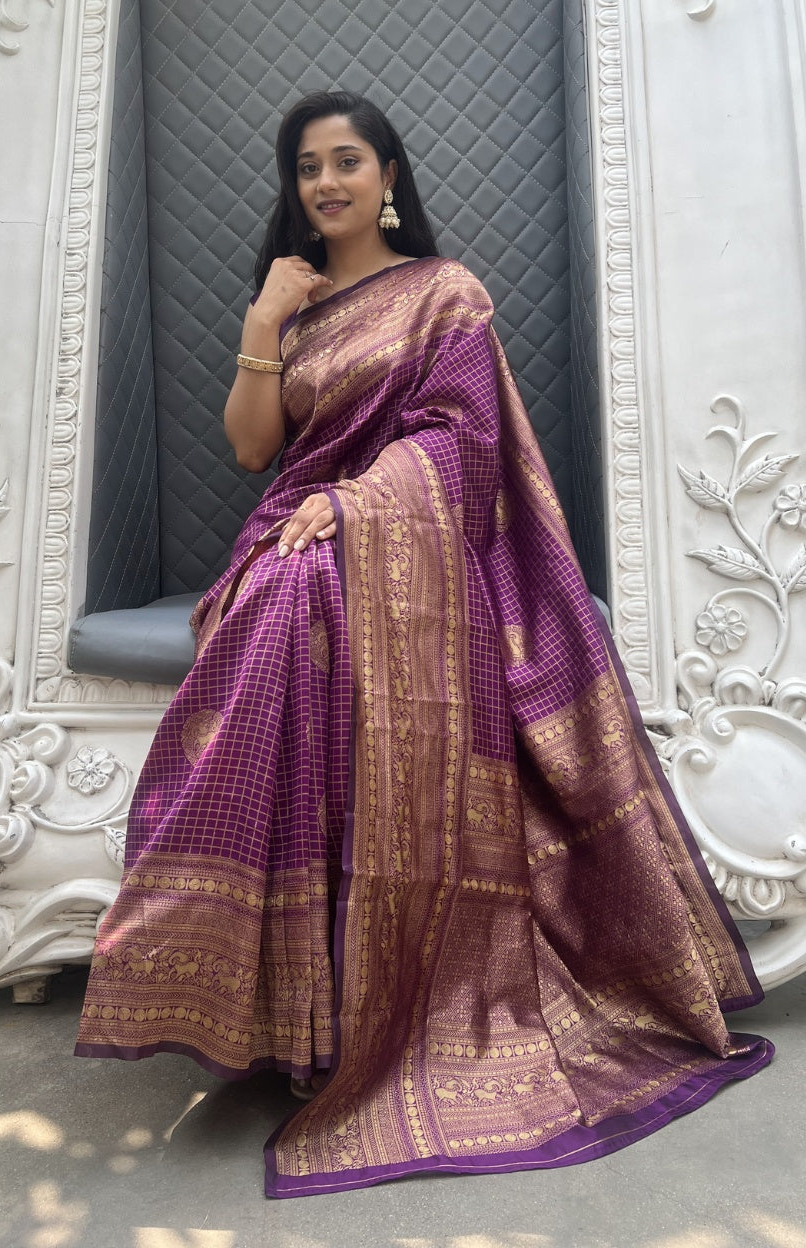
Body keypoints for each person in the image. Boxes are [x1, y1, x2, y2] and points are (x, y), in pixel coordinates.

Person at [75, 91, 771, 1198]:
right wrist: (262, 328)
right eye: (307, 167)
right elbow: (258, 453)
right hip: (294, 529)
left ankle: (362, 1006)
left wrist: (357, 509)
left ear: (388, 174)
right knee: (287, 598)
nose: (326, 183)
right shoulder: (292, 303)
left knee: (313, 598)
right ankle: (276, 1004)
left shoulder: (443, 293)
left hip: (418, 537)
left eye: (346, 161)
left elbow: (465, 443)